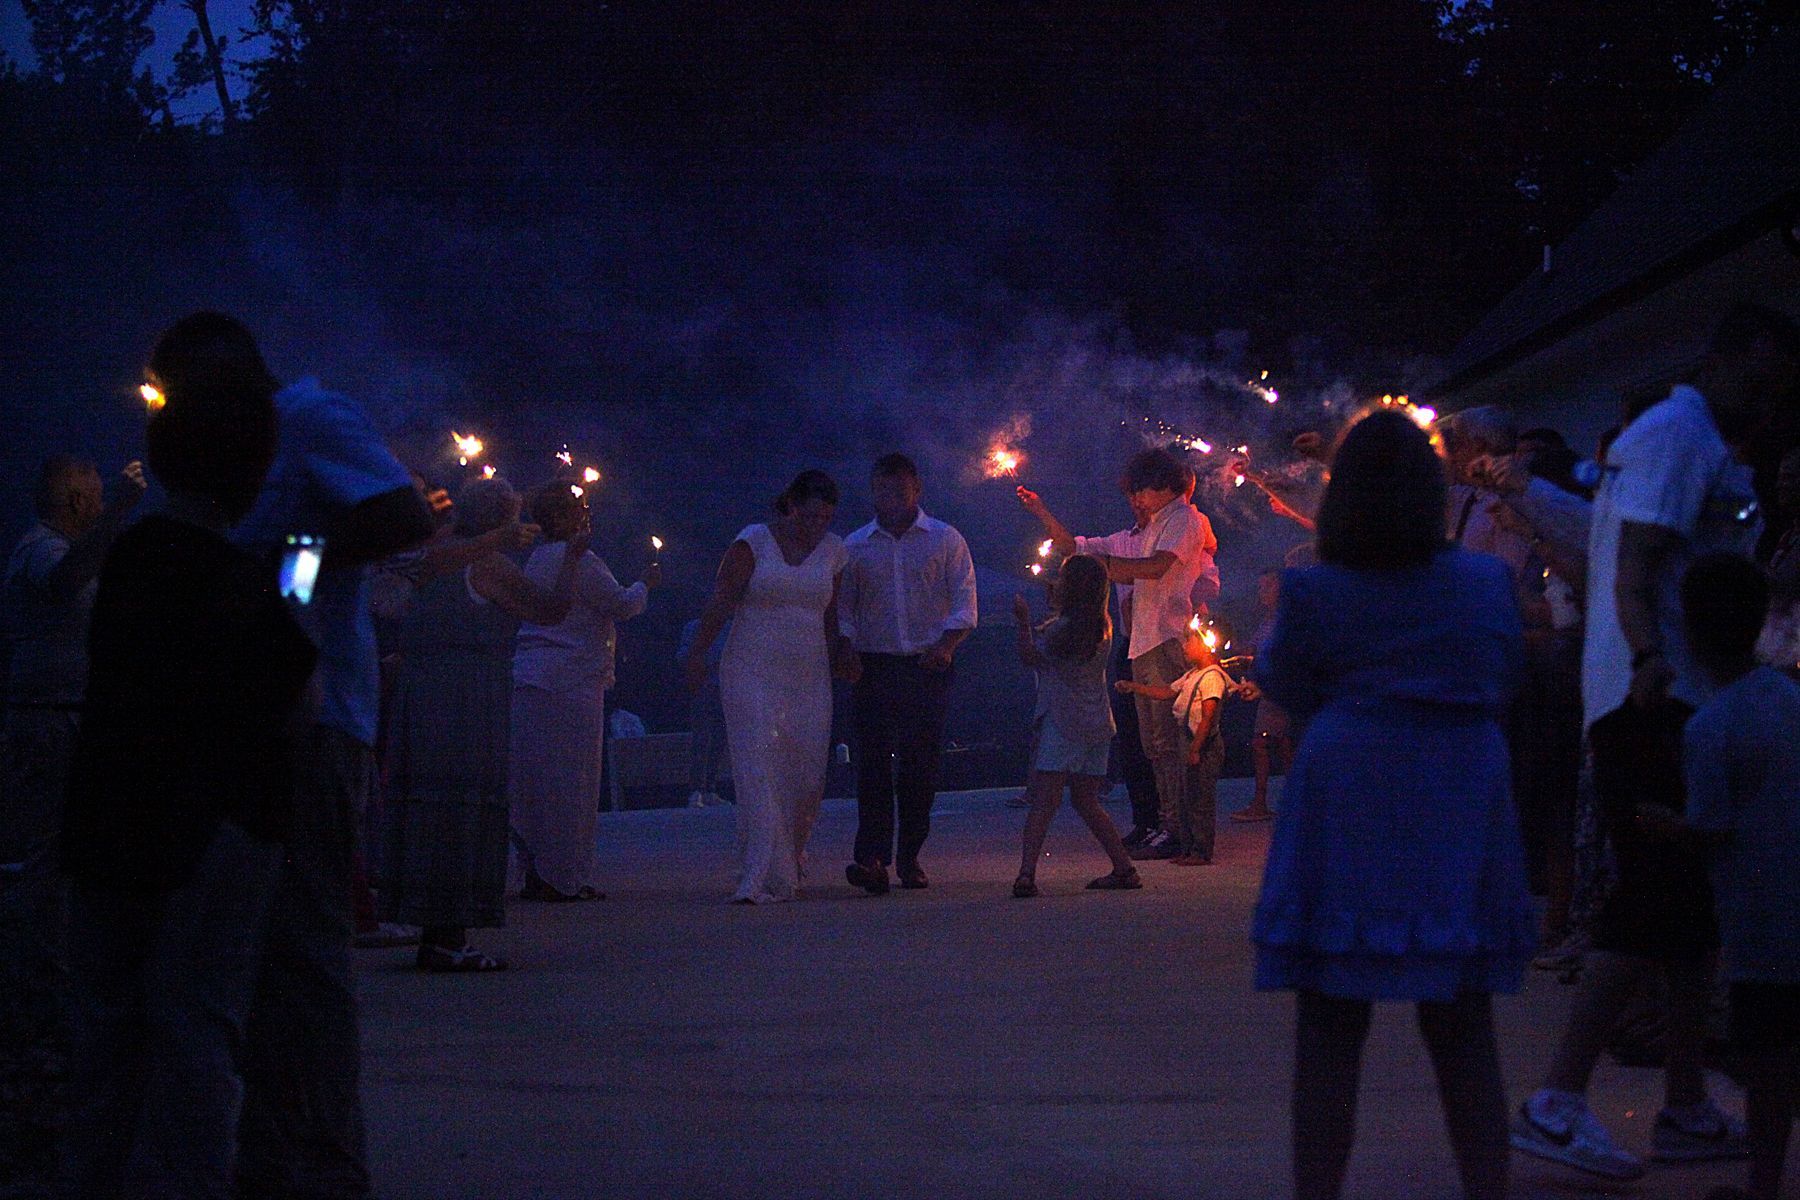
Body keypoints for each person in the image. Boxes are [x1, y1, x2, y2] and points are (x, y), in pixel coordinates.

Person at [1513, 304, 1800, 1183]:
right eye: (1766, 375)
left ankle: (1682, 1105)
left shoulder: (1697, 437)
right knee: (1646, 910)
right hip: (1663, 701)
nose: (1773, 394)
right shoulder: (1678, 437)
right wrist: (1647, 671)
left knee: (1686, 922)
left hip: (1682, 697)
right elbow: (1636, 569)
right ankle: (1555, 1101)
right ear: (1731, 358)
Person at [58, 319, 317, 1199]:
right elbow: (296, 677)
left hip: (107, 829)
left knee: (105, 1035)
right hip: (214, 834)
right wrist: (306, 559)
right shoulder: (247, 580)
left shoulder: (133, 556)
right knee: (198, 1031)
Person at [1252, 409, 1535, 1200]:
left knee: (1333, 1024)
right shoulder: (1483, 581)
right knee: (1461, 1022)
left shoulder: (1313, 588)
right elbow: (1507, 674)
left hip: (1350, 784)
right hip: (1458, 785)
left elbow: (1282, 681)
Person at [223, 315, 435, 1199]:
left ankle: (325, 1171)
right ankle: (271, 1163)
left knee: (304, 961)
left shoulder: (311, 418)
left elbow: (401, 516)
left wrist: (294, 565)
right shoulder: (241, 447)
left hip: (315, 724)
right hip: (248, 725)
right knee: (255, 962)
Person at [1634, 556, 1800, 1200]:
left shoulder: (1710, 727)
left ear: (1691, 633)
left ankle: (1763, 1185)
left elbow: (1709, 828)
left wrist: (1658, 822)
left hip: (1759, 924)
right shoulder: (1789, 701)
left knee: (1768, 1062)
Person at [378, 476, 585, 971]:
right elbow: (549, 611)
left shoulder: (429, 556)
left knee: (426, 805)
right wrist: (573, 558)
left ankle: (426, 927)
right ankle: (449, 939)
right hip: (467, 696)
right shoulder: (486, 564)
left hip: (420, 691)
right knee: (461, 810)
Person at [0, 453, 143, 1036]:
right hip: (48, 721)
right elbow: (63, 585)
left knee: (70, 853)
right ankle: (34, 988)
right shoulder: (39, 547)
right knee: (48, 856)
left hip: (75, 717)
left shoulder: (80, 551)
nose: (104, 503)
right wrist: (122, 517)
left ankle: (56, 979)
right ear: (77, 503)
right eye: (97, 495)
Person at [1019, 447, 1213, 862]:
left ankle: (1178, 829)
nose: (1135, 500)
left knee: (1167, 741)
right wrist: (1041, 512)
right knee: (1154, 744)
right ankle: (1166, 826)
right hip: (1144, 640)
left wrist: (1102, 567)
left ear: (1161, 487)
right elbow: (1077, 546)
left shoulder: (1184, 519)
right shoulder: (1153, 526)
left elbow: (1156, 567)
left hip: (1165, 639)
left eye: (1139, 491)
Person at [683, 471, 855, 904]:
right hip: (750, 667)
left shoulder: (835, 551)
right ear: (791, 505)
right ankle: (762, 871)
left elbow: (831, 616)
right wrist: (697, 654)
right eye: (810, 515)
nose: (817, 525)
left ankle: (790, 853)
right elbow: (721, 600)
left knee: (807, 770)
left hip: (808, 671)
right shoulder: (753, 542)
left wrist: (842, 654)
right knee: (759, 763)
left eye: (827, 518)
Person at [509, 481, 657, 903]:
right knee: (573, 780)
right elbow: (620, 604)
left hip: (531, 677)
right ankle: (563, 876)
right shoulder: (582, 561)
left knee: (537, 779)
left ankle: (536, 870)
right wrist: (646, 583)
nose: (585, 514)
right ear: (558, 518)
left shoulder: (536, 557)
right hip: (571, 680)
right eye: (576, 509)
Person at [839, 454, 978, 893]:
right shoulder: (855, 545)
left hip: (926, 664)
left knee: (920, 767)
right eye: (882, 490)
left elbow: (964, 602)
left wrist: (946, 646)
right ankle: (873, 858)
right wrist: (847, 651)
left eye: (899, 491)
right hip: (874, 665)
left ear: (916, 489)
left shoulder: (944, 539)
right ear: (872, 491)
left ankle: (910, 856)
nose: (891, 499)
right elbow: (844, 610)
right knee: (872, 766)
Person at [1009, 555, 1139, 898]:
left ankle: (1026, 873)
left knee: (1044, 801)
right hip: (1097, 721)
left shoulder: (1060, 630)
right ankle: (1124, 867)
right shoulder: (1104, 626)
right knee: (1086, 801)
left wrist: (1023, 621)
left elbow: (1031, 658)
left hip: (1063, 722)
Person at [1115, 621, 1229, 865]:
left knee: (1200, 800)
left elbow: (1208, 716)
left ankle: (1201, 851)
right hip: (1186, 740)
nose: (1185, 646)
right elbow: (1166, 692)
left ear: (1206, 647)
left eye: (1190, 641)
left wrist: (1196, 748)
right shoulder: (1191, 675)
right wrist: (1133, 687)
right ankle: (1187, 848)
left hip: (1202, 744)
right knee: (1185, 797)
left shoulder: (1211, 678)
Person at [1239, 568, 1289, 823]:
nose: (1262, 594)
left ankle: (1270, 803)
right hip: (1269, 690)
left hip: (1281, 690)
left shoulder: (1286, 619)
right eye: (1260, 587)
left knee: (1279, 744)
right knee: (1275, 744)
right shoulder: (1267, 621)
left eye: (1267, 587)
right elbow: (1253, 649)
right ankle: (1268, 802)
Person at [678, 616, 730, 806]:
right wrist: (700, 658)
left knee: (719, 739)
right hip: (702, 688)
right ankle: (695, 790)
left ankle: (709, 788)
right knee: (702, 739)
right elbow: (683, 654)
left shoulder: (729, 626)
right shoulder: (694, 627)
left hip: (725, 689)